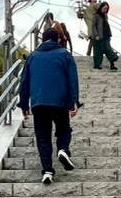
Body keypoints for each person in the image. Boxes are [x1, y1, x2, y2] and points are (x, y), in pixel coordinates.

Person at [19, 26, 80, 184]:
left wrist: (24, 105)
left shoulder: (32, 57)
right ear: (58, 39)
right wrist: (75, 101)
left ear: (42, 39)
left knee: (43, 137)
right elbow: (72, 79)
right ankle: (62, 149)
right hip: (59, 101)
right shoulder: (64, 54)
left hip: (38, 103)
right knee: (63, 129)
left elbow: (24, 82)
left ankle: (47, 171)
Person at [92, 1, 120, 71]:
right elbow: (93, 26)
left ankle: (112, 64)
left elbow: (107, 25)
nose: (105, 10)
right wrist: (96, 35)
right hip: (98, 37)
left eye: (107, 9)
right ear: (101, 8)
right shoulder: (96, 15)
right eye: (104, 8)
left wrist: (109, 34)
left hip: (106, 36)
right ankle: (97, 65)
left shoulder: (105, 16)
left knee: (108, 49)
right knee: (98, 51)